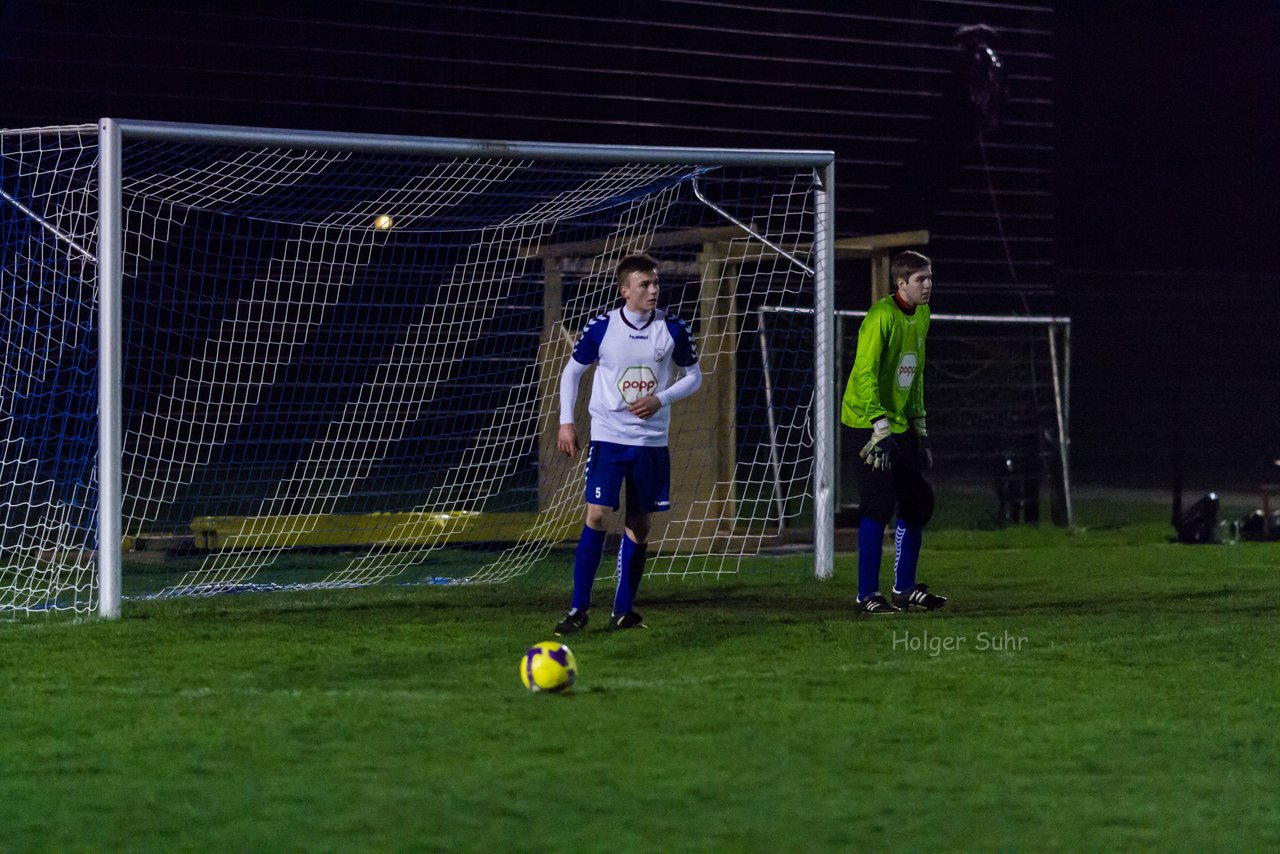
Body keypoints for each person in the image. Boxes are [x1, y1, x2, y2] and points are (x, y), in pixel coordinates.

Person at [553, 253, 702, 634]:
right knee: (598, 514)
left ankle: (623, 610)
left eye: (655, 283)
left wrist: (660, 398)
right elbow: (571, 373)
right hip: (609, 437)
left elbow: (694, 376)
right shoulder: (603, 328)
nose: (653, 290)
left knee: (639, 524)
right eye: (645, 285)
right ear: (625, 291)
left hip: (651, 443)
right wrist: (566, 422)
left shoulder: (672, 328)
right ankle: (577, 609)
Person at [841, 250, 948, 614]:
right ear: (901, 284)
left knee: (916, 502)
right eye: (921, 279)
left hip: (898, 424)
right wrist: (879, 426)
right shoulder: (880, 317)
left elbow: (914, 373)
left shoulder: (922, 315)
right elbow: (865, 373)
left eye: (930, 277)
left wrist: (920, 427)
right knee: (877, 506)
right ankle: (866, 595)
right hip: (866, 424)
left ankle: (904, 589)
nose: (928, 284)